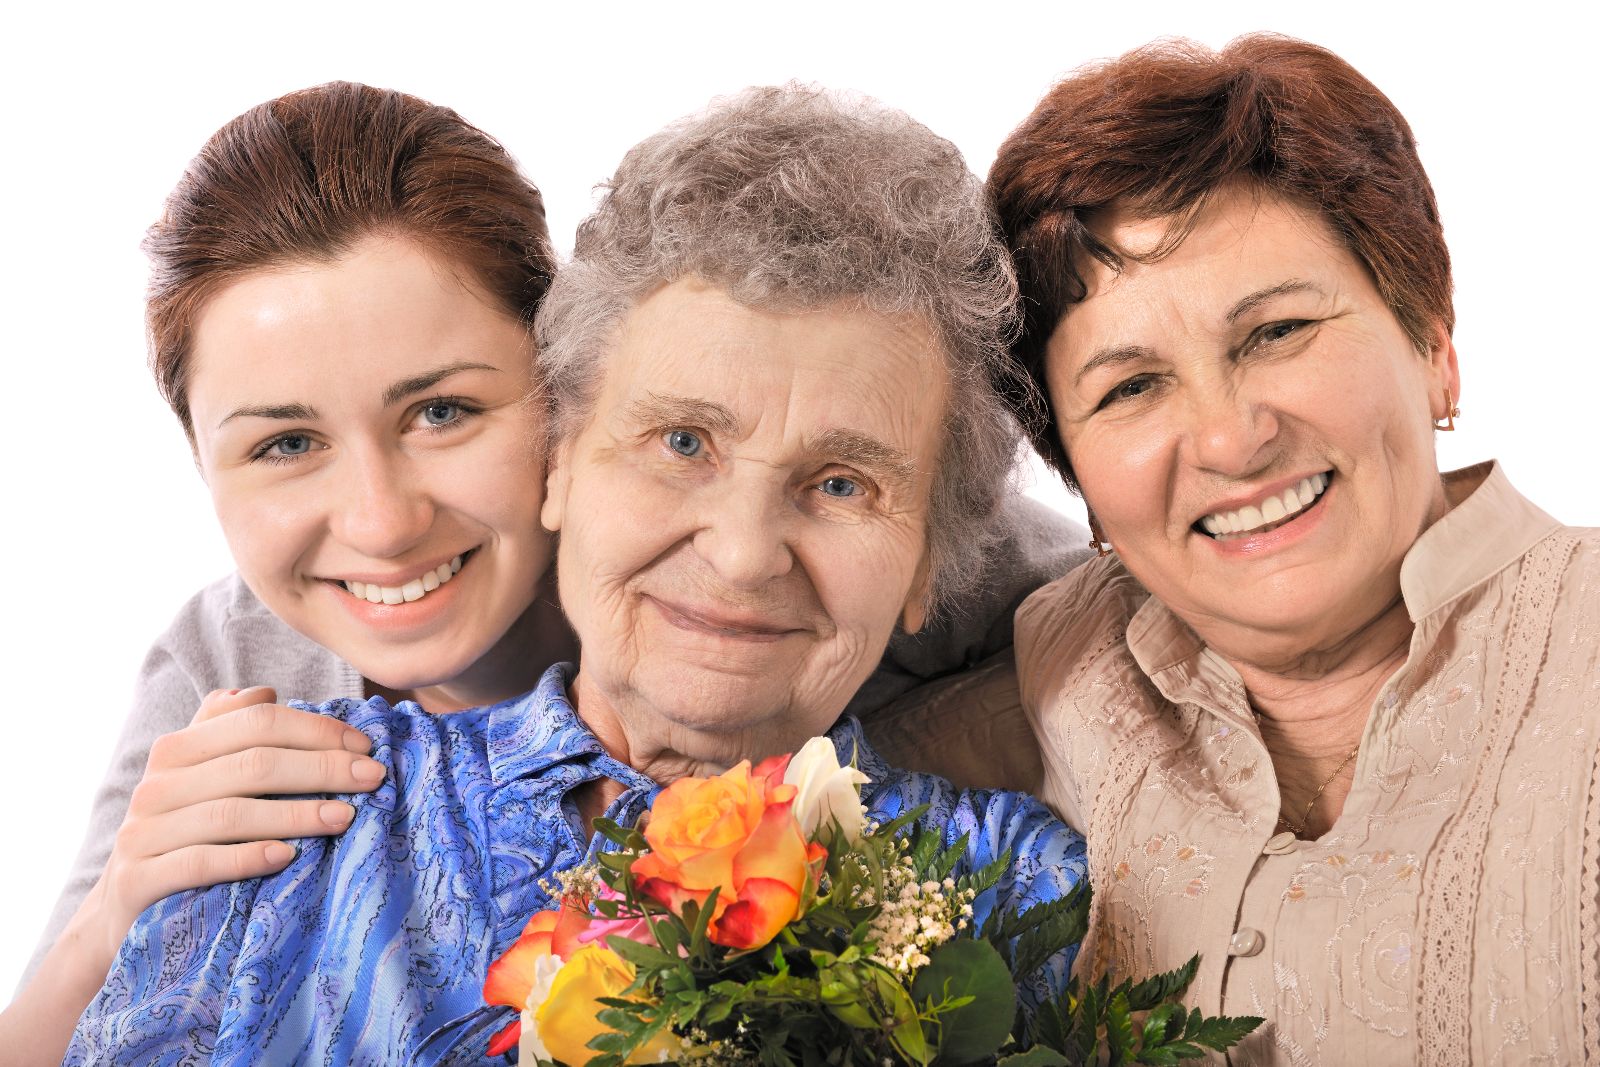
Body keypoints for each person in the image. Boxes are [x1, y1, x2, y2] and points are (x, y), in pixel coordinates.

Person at [14, 82, 1079, 1065]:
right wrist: (113, 912)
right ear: (563, 452)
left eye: (843, 484)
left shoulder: (1020, 868)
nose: (745, 552)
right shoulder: (260, 764)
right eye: (680, 443)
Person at [988, 35, 1600, 1064]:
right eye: (1129, 387)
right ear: (1078, 482)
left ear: (1434, 348)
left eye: (1275, 331)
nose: (1231, 439)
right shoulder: (1056, 674)